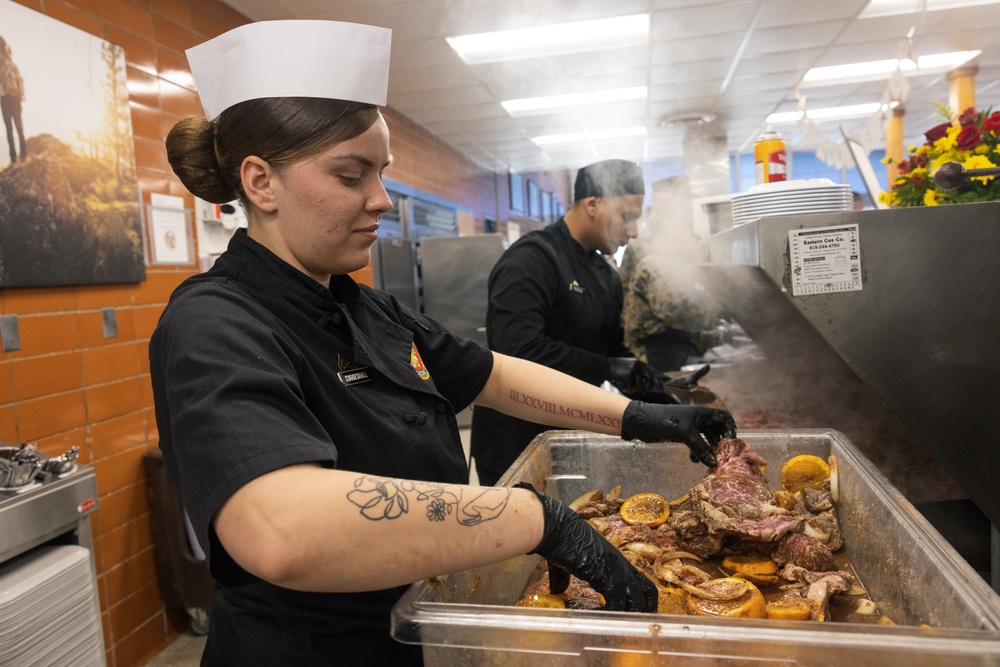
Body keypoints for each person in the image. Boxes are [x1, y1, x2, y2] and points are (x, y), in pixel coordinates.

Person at [150, 20, 737, 666]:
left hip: (412, 634)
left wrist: (641, 417)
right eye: (352, 176)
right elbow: (279, 530)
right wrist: (539, 520)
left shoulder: (365, 308)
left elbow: (496, 375)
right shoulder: (213, 324)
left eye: (382, 172)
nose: (381, 199)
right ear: (260, 183)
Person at [470, 160, 673, 486]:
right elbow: (520, 350)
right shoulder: (532, 260)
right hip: (515, 440)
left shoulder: (604, 272)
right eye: (627, 216)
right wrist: (606, 368)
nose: (634, 232)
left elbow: (609, 345)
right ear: (592, 204)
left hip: (571, 429)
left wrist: (654, 386)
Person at [0, 36, 26, 164]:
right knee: (18, 128)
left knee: (10, 129)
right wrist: (20, 95)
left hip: (6, 99)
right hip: (15, 98)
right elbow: (20, 81)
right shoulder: (13, 64)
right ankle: (23, 156)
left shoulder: (2, 64)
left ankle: (14, 158)